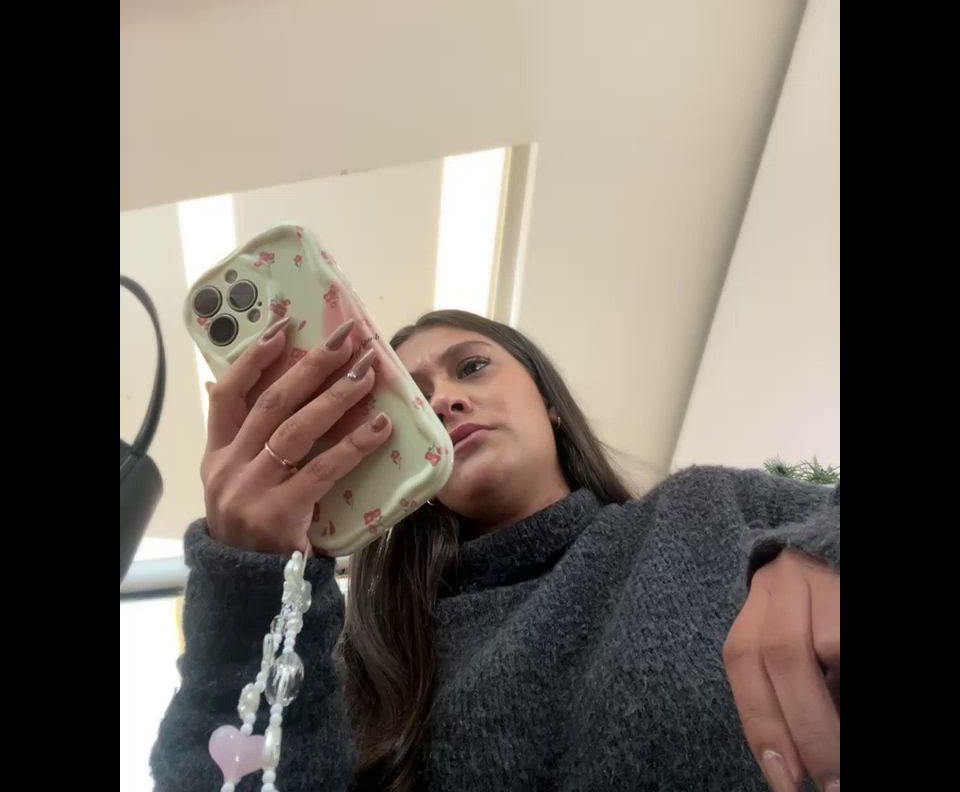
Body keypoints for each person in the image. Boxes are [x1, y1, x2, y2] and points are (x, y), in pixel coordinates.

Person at [151, 309, 840, 792]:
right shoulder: (369, 669)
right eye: (412, 399)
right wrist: (252, 586)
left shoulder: (707, 513)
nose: (444, 401)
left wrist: (825, 550)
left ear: (550, 403)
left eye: (472, 367)